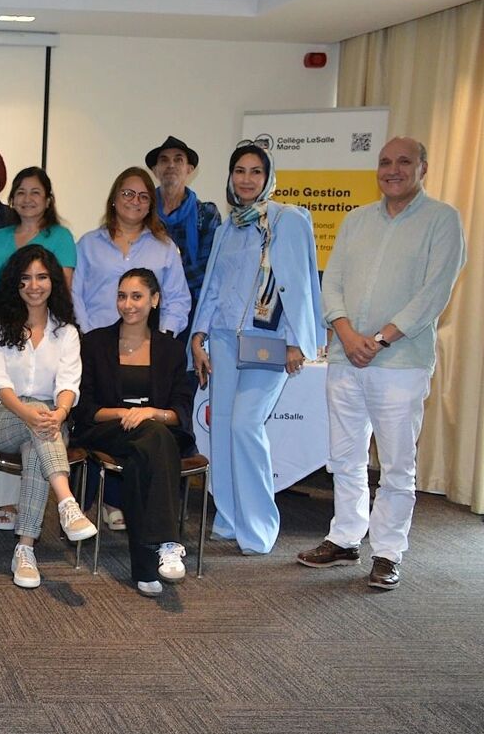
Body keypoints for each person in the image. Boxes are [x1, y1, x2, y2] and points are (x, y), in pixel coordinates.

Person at [296, 137, 465, 590]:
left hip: (400, 363)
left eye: (403, 162)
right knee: (344, 459)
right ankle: (345, 537)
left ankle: (388, 551)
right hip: (346, 358)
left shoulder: (442, 220)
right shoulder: (356, 221)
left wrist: (380, 339)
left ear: (423, 168)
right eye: (385, 162)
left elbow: (435, 292)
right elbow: (333, 283)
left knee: (395, 466)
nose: (393, 170)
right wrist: (347, 333)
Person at [189, 142, 323, 556]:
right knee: (225, 429)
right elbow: (214, 286)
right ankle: (230, 516)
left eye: (255, 172)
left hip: (269, 342)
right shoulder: (229, 226)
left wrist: (298, 341)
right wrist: (198, 336)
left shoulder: (288, 220)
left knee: (246, 426)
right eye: (240, 171)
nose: (247, 179)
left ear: (268, 177)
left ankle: (261, 526)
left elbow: (301, 283)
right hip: (226, 339)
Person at [0, 245, 97, 589]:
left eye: (41, 277)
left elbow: (69, 384)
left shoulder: (66, 332)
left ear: (53, 281)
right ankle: (67, 502)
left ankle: (25, 549)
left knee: (36, 450)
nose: (34, 285)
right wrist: (38, 414)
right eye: (25, 278)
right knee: (39, 422)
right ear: (15, 283)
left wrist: (59, 413)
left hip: (47, 423)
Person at [73, 268, 195, 596]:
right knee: (155, 439)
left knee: (149, 448)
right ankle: (168, 541)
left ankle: (144, 569)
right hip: (106, 429)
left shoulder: (170, 349)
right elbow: (84, 407)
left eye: (137, 296)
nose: (128, 304)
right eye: (122, 296)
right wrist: (127, 414)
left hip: (153, 434)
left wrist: (151, 413)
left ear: (154, 301)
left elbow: (181, 409)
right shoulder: (96, 343)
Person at [73, 167, 191, 338]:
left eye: (143, 197)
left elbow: (178, 300)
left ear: (151, 205)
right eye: (128, 194)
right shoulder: (88, 244)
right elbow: (74, 294)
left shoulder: (165, 248)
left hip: (147, 350)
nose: (135, 201)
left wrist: (162, 337)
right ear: (114, 198)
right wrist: (87, 334)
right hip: (95, 344)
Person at [147, 135, 221, 328]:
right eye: (164, 160)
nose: (171, 165)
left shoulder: (206, 213)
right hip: (144, 309)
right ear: (155, 171)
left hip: (191, 310)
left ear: (190, 169)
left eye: (178, 159)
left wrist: (165, 286)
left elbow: (208, 268)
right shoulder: (142, 213)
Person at [0, 166, 77, 288]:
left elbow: (63, 290)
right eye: (21, 193)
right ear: (12, 200)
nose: (27, 199)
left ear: (48, 201)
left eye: (35, 192)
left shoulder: (61, 237)